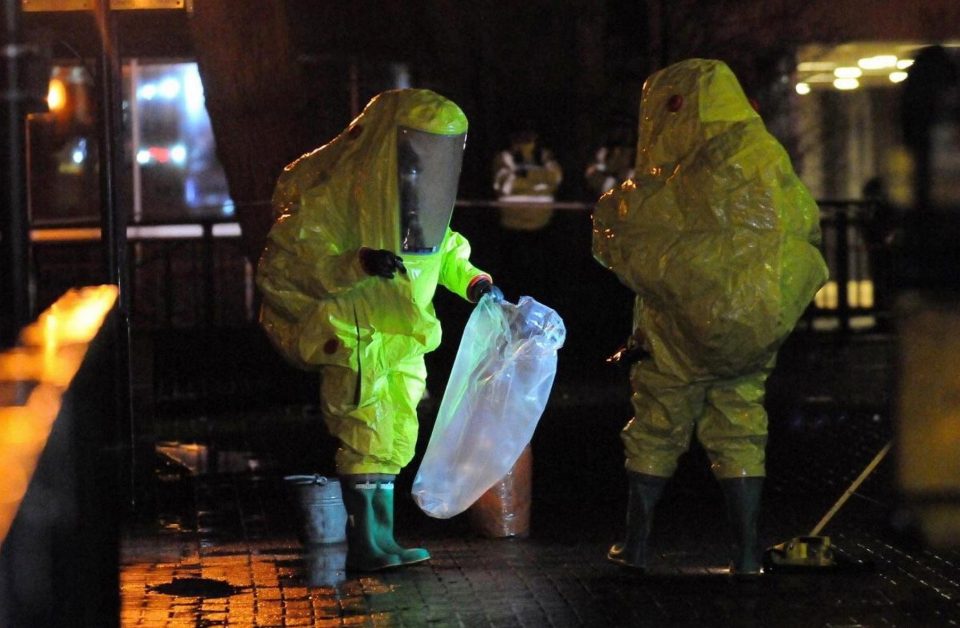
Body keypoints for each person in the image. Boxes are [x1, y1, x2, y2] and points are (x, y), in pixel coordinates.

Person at [592, 59, 829, 575]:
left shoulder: (668, 174)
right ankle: (747, 554)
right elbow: (802, 226)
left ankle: (636, 546)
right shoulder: (765, 156)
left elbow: (622, 238)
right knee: (741, 427)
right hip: (750, 328)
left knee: (656, 425)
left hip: (676, 331)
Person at [256, 88, 501, 572]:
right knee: (363, 429)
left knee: (394, 434)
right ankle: (368, 541)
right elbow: (300, 258)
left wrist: (471, 280)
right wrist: (359, 263)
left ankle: (382, 539)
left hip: (404, 334)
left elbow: (443, 248)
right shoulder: (339, 197)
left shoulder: (416, 200)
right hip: (355, 331)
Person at [584, 123, 636, 197]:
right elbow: (592, 171)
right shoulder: (604, 152)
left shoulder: (629, 152)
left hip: (626, 183)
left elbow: (626, 169)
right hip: (609, 187)